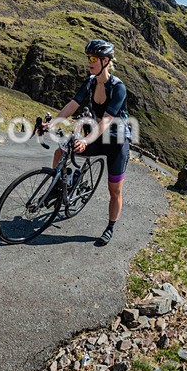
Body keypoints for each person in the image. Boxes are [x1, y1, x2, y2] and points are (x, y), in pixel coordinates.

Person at [45, 39, 131, 246]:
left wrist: (85, 140)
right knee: (61, 152)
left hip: (117, 142)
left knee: (115, 190)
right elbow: (73, 104)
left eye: (94, 59)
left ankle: (110, 227)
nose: (89, 62)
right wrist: (53, 123)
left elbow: (107, 121)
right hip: (97, 135)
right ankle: (58, 186)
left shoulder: (118, 88)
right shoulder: (90, 82)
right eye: (89, 58)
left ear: (105, 61)